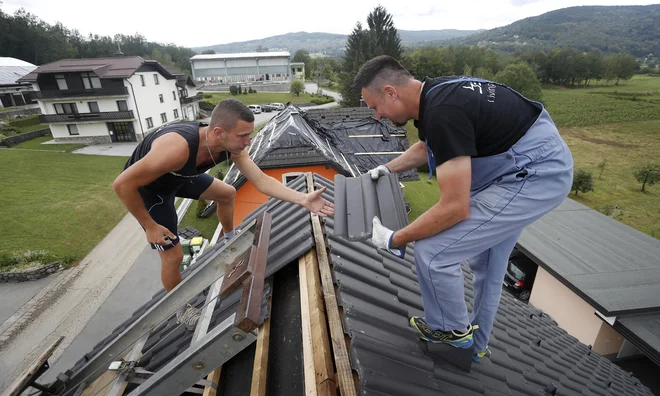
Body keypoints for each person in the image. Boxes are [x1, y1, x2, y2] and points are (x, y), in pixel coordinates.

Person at [356, 56, 573, 362]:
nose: (376, 115)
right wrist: (386, 168)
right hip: (530, 162)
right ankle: (478, 343)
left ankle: (452, 337)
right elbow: (432, 144)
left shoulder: (443, 111)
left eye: (374, 106)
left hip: (534, 174)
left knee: (433, 252)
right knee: (487, 263)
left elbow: (455, 208)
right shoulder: (436, 93)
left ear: (391, 92)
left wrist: (394, 238)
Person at [113, 99, 334, 327]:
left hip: (176, 178)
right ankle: (180, 311)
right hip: (148, 190)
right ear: (219, 132)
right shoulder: (176, 149)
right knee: (173, 255)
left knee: (227, 193)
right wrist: (150, 226)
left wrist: (302, 199)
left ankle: (229, 239)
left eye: (249, 134)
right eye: (242, 136)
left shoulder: (230, 147)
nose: (248, 142)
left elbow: (260, 179)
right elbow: (122, 185)